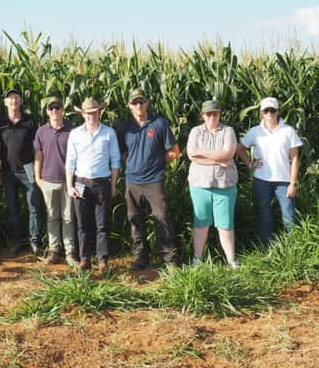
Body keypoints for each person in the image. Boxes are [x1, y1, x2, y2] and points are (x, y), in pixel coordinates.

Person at [116, 88, 181, 270]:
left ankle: (170, 259)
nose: (138, 105)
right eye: (134, 102)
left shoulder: (159, 123)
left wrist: (159, 163)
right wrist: (130, 163)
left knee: (161, 217)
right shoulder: (124, 128)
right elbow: (119, 153)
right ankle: (141, 258)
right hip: (132, 181)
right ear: (129, 105)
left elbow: (175, 150)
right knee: (135, 219)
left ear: (147, 103)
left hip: (154, 180)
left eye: (141, 102)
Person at [237, 97, 303, 246]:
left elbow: (295, 158)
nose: (270, 114)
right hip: (262, 180)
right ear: (261, 113)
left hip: (284, 181)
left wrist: (293, 183)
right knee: (266, 217)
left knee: (289, 217)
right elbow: (240, 148)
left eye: (272, 110)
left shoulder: (288, 131)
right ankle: (269, 252)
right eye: (266, 111)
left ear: (278, 112)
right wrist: (249, 164)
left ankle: (294, 250)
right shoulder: (255, 132)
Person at [66, 97, 120, 274]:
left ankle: (103, 261)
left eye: (94, 113)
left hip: (102, 183)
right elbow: (70, 162)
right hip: (81, 183)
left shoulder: (109, 133)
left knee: (102, 225)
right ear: (82, 114)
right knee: (83, 225)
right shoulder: (75, 134)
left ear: (99, 112)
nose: (91, 116)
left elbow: (115, 161)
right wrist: (70, 185)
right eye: (88, 113)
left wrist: (112, 186)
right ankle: (85, 260)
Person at [187, 100, 238, 269]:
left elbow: (228, 153)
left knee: (225, 225)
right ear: (203, 115)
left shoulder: (228, 131)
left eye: (215, 114)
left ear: (219, 114)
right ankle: (197, 259)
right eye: (208, 114)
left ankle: (231, 261)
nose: (212, 117)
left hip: (225, 185)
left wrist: (203, 154)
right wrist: (219, 160)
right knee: (201, 224)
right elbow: (192, 154)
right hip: (200, 185)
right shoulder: (196, 131)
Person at [0, 88, 44, 257]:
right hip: (8, 171)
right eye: (10, 98)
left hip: (28, 169)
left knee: (33, 206)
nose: (13, 101)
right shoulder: (0, 124)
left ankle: (34, 241)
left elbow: (37, 148)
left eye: (16, 98)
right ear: (6, 103)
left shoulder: (30, 122)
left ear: (20, 102)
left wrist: (38, 172)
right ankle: (15, 242)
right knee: (12, 208)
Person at [34, 95, 79, 267]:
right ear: (47, 112)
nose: (54, 111)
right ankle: (54, 250)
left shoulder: (72, 130)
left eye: (57, 107)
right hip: (49, 180)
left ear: (63, 110)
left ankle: (70, 252)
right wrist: (38, 178)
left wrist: (74, 181)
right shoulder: (41, 131)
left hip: (68, 182)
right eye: (51, 108)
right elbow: (38, 155)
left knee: (68, 218)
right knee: (52, 217)